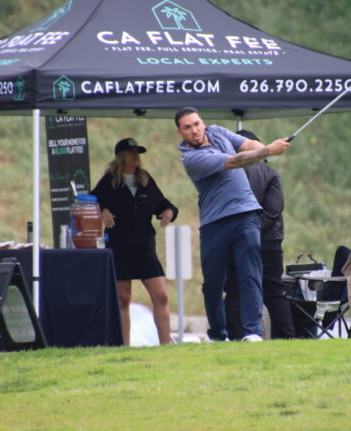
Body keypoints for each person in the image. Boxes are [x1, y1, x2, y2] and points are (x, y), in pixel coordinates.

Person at [175, 107, 290, 342]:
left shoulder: (217, 131)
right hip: (214, 222)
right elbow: (234, 161)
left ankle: (253, 332)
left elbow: (247, 146)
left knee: (250, 275)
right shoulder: (191, 158)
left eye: (196, 124)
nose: (194, 130)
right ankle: (218, 333)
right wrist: (269, 150)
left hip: (246, 214)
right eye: (187, 127)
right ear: (180, 132)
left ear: (202, 122)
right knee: (213, 284)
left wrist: (266, 151)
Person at [92, 138, 178, 346]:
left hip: (145, 248)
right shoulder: (109, 181)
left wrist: (169, 213)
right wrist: (101, 210)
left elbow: (164, 204)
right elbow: (91, 200)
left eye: (138, 152)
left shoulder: (145, 179)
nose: (136, 156)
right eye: (131, 152)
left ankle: (166, 346)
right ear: (121, 156)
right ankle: (125, 347)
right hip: (119, 248)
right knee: (123, 299)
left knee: (161, 296)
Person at [224, 129, 295, 340]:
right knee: (273, 292)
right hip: (269, 243)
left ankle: (237, 337)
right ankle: (287, 338)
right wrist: (254, 233)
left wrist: (243, 236)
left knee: (235, 291)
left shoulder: (228, 174)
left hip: (236, 242)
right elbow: (273, 212)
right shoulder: (271, 174)